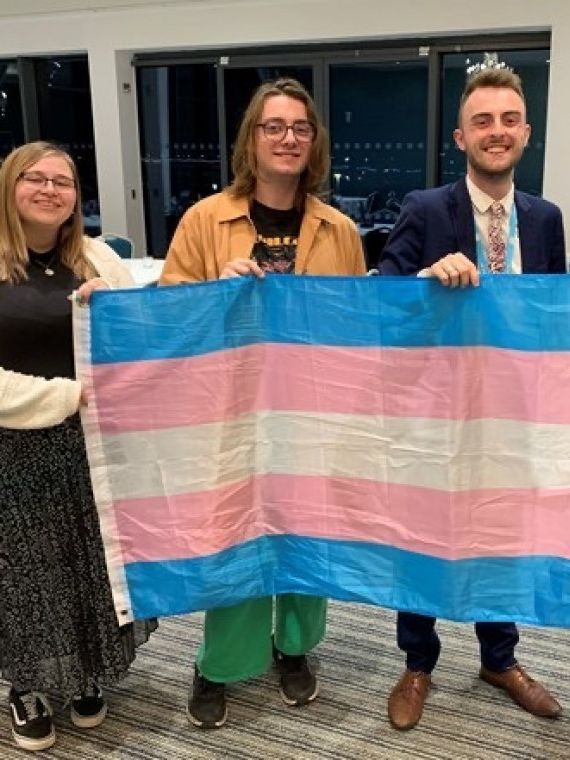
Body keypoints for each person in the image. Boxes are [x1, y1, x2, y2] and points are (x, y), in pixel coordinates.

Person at [0, 141, 153, 752]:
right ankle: (26, 686)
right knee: (19, 576)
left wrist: (116, 312)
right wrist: (61, 397)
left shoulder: (96, 257)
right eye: (35, 179)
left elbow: (137, 345)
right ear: (9, 188)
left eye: (64, 182)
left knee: (83, 569)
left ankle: (80, 675)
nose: (50, 190)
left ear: (77, 196)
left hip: (84, 448)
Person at [159, 77, 365, 729]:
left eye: (299, 128)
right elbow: (165, 317)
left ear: (314, 142)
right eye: (272, 127)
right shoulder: (204, 220)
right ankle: (219, 662)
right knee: (236, 538)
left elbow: (358, 327)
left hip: (311, 415)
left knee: (307, 541)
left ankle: (294, 647)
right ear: (252, 139)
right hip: (233, 415)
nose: (287, 138)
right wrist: (210, 295)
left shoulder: (340, 230)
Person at [377, 66, 565, 731]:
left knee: (500, 536)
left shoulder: (545, 219)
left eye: (509, 119)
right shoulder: (426, 210)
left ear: (526, 132)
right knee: (422, 536)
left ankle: (499, 657)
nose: (497, 131)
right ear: (462, 135)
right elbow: (383, 307)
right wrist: (427, 279)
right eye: (483, 120)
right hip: (432, 414)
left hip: (511, 414)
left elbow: (554, 316)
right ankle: (418, 663)